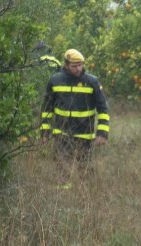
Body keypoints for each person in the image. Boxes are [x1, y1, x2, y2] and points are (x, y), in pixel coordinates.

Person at [40, 49, 110, 186]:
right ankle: (62, 198)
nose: (78, 69)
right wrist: (44, 132)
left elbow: (103, 109)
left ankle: (86, 200)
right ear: (66, 65)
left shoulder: (92, 82)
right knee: (61, 171)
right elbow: (47, 109)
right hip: (61, 135)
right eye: (74, 66)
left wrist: (102, 134)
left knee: (85, 171)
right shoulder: (55, 81)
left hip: (85, 136)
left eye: (80, 65)